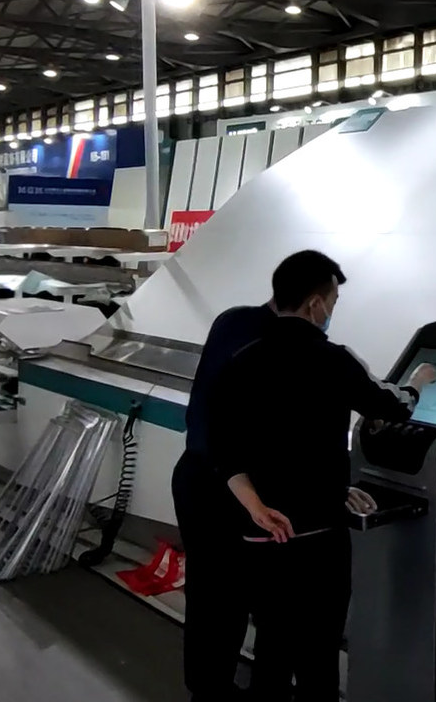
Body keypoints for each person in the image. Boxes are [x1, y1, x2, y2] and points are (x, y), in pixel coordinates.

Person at [208, 250, 436, 702]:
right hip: (317, 536)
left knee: (272, 644)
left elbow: (224, 453)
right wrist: (419, 379)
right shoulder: (332, 359)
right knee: (318, 651)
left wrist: (257, 509)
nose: (331, 309)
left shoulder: (242, 360)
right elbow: (392, 406)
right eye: (332, 300)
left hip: (259, 536)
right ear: (315, 303)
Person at [171, 281, 278, 701]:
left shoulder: (232, 320)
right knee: (234, 595)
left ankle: (207, 686)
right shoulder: (273, 344)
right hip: (229, 486)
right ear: (314, 304)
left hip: (194, 475)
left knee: (209, 593)